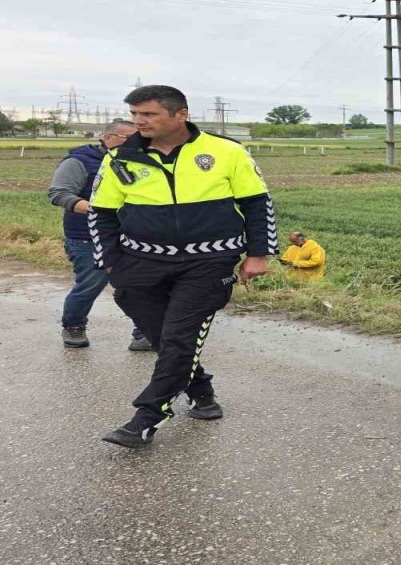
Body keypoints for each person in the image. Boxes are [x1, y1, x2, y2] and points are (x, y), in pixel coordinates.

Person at [89, 85, 277, 448]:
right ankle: (201, 392)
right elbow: (102, 214)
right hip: (139, 264)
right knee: (166, 340)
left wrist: (257, 254)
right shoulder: (119, 159)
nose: (139, 122)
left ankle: (147, 417)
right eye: (134, 115)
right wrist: (110, 263)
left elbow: (257, 204)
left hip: (208, 262)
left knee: (178, 340)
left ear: (180, 114)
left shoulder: (226, 152)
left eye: (148, 114)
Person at [48, 119, 147, 350]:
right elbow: (59, 193)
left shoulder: (139, 159)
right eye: (131, 138)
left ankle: (144, 333)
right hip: (87, 237)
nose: (138, 142)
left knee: (140, 287)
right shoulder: (79, 161)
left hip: (132, 237)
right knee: (90, 285)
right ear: (110, 137)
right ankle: (73, 326)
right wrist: (98, 209)